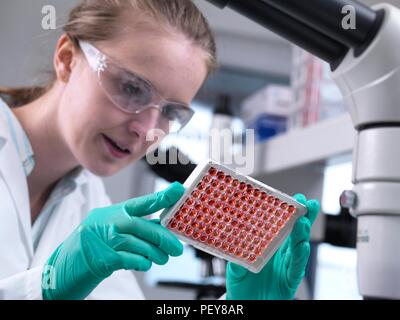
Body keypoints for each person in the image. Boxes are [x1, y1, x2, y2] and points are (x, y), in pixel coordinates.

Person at [0, 0, 320, 300]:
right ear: (67, 59)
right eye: (131, 88)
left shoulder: (85, 198)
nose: (146, 129)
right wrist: (45, 286)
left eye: (170, 112)